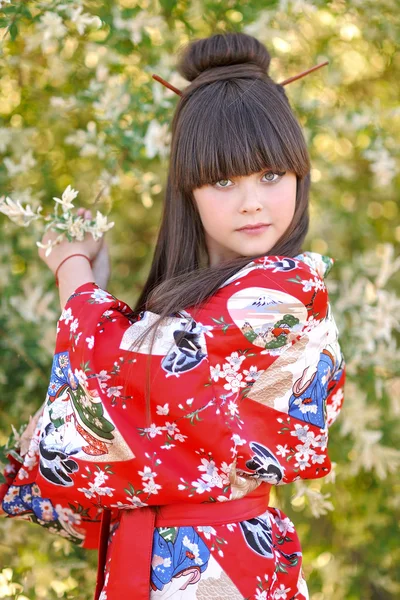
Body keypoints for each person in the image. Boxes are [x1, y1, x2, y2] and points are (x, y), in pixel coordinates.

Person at [0, 32, 346, 600]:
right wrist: (99, 286)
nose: (252, 200)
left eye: (271, 175)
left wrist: (74, 275)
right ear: (188, 190)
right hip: (164, 556)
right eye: (223, 180)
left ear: (299, 174)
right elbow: (128, 374)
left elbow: (152, 372)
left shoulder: (285, 289)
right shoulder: (192, 298)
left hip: (222, 565)